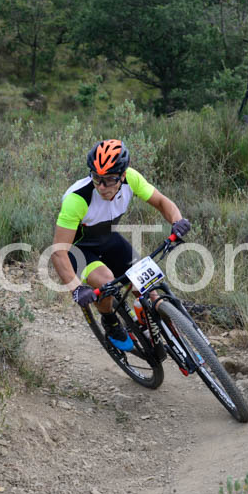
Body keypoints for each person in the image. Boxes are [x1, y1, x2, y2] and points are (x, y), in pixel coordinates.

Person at [50, 139, 191, 351]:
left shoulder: (131, 179)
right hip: (79, 250)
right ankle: (109, 320)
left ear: (123, 175)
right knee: (106, 281)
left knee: (151, 291)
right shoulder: (77, 199)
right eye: (96, 178)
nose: (101, 186)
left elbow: (162, 202)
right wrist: (76, 288)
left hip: (109, 241)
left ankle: (153, 321)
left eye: (109, 179)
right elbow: (58, 252)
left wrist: (177, 221)